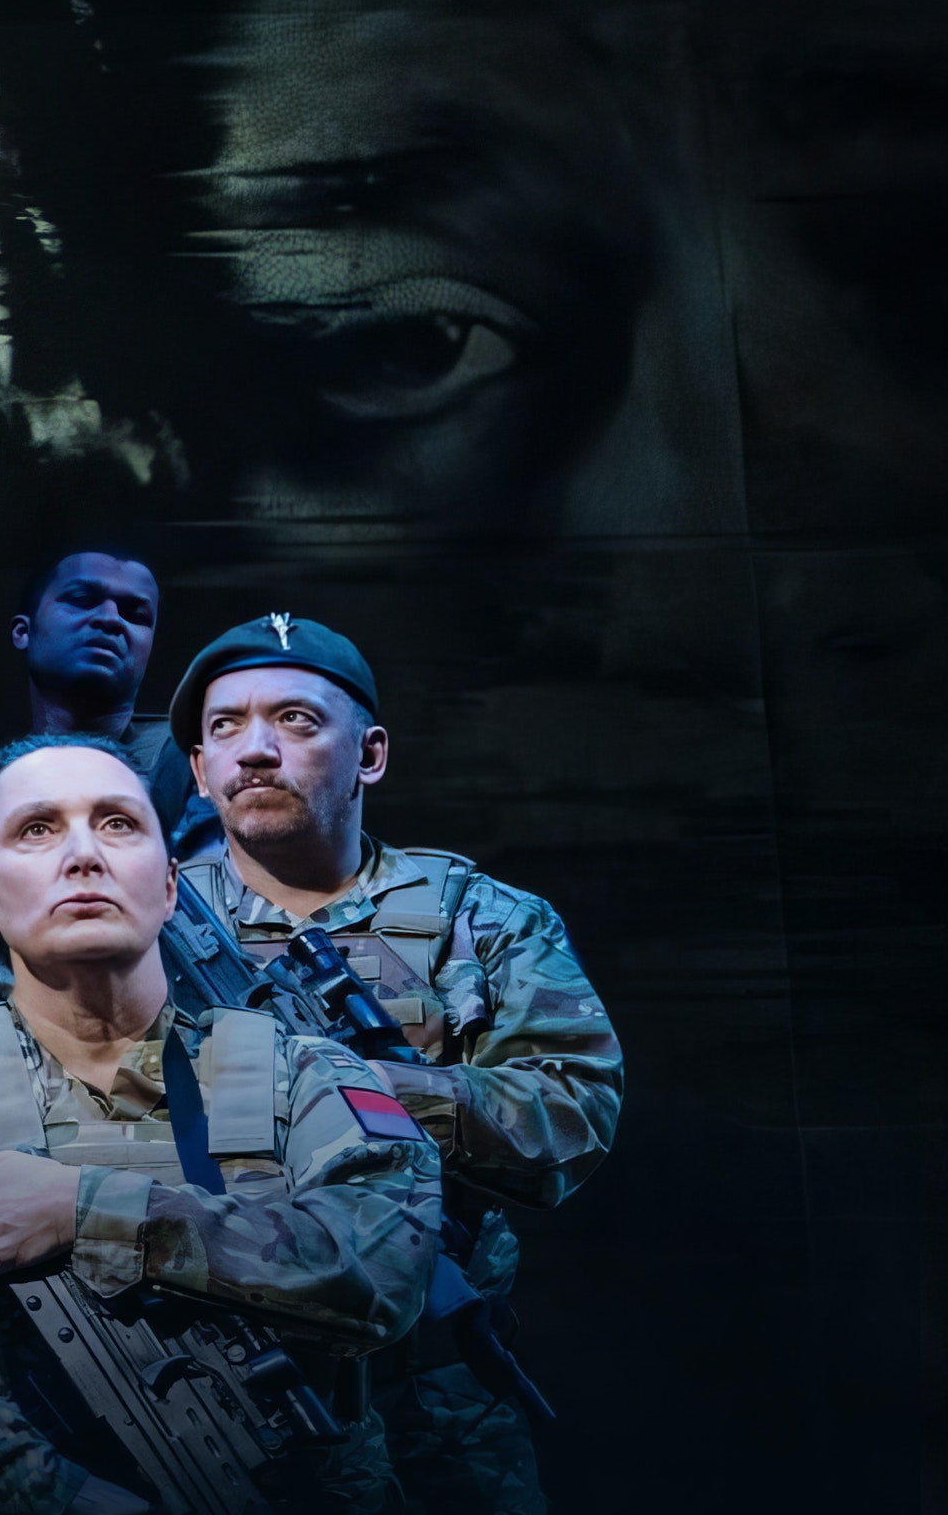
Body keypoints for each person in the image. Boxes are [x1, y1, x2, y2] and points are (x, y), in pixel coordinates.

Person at [0, 733, 440, 1513]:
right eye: (36, 829)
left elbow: (385, 1271)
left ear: (170, 886)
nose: (83, 854)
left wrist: (85, 1212)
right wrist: (63, 1498)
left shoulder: (301, 1075)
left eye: (118, 823)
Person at [167, 615, 622, 1515]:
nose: (255, 749)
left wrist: (359, 1094)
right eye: (225, 727)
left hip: (442, 1388)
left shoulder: (480, 918)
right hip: (233, 1385)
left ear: (369, 755)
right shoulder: (142, 922)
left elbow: (572, 1111)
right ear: (198, 769)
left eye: (296, 719)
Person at [0, 547, 200, 932]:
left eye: (135, 614)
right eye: (82, 599)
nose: (111, 619)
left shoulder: (196, 768)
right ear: (23, 631)